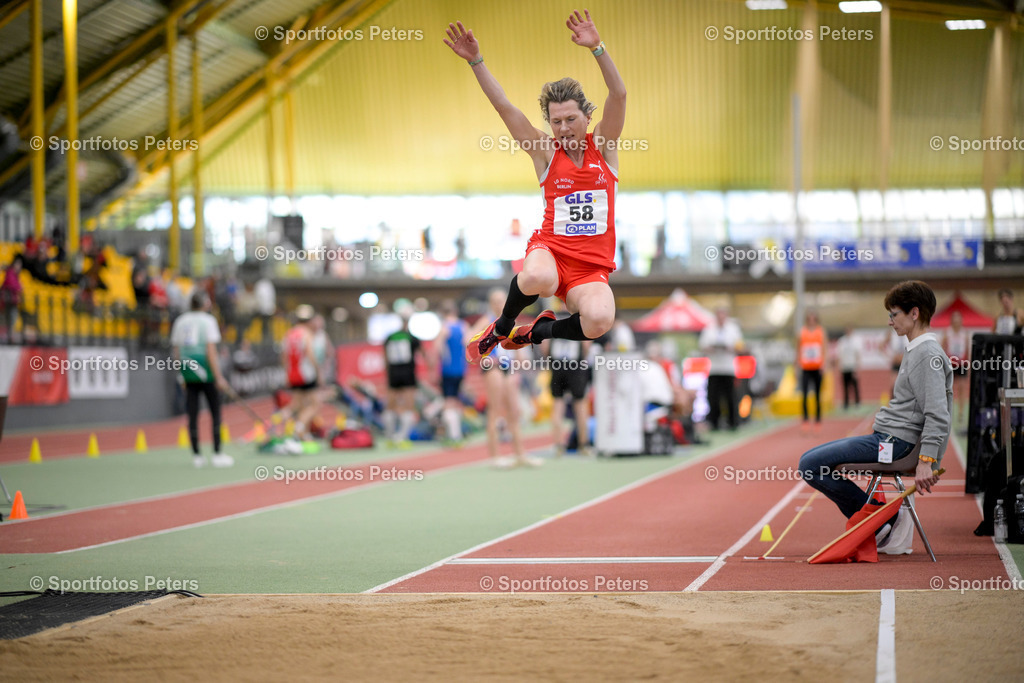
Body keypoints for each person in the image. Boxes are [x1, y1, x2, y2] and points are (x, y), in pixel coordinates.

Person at [445, 10, 627, 362]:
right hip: (552, 251)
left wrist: (597, 48)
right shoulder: (546, 152)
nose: (563, 128)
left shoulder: (604, 145)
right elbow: (505, 108)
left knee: (601, 319)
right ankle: (501, 327)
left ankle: (539, 330)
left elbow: (618, 94)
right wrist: (476, 61)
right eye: (556, 121)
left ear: (587, 118)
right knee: (537, 277)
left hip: (590, 268)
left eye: (571, 119)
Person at [799, 280, 951, 556]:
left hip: (896, 444)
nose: (890, 322)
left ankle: (881, 521)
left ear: (914, 313)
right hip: (889, 438)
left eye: (894, 314)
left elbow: (938, 412)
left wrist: (927, 461)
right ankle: (882, 521)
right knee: (810, 461)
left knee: (810, 464)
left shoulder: (927, 354)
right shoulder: (915, 349)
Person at [469, 289, 542, 468]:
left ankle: (520, 455)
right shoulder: (486, 320)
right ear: (490, 303)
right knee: (494, 411)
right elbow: (468, 339)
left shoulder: (510, 321)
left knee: (514, 411)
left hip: (508, 367)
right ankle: (495, 457)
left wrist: (521, 362)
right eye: (494, 300)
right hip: (493, 367)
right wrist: (484, 356)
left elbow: (516, 345)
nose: (498, 304)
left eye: (501, 300)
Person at [170, 291, 234, 468]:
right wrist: (219, 377)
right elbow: (210, 351)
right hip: (206, 371)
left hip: (188, 371)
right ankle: (217, 453)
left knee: (192, 413)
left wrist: (180, 373)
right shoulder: (208, 321)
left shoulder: (180, 321)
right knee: (215, 413)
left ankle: (197, 455)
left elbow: (176, 351)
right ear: (204, 304)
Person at [382, 307, 425, 448]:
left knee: (391, 405)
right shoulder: (412, 338)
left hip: (393, 373)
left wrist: (388, 374)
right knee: (408, 406)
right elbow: (423, 355)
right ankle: (402, 437)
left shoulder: (390, 337)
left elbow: (385, 358)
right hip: (407, 374)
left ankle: (389, 437)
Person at [546, 327, 592, 455]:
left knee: (557, 403)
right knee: (580, 403)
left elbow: (544, 345)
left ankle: (558, 445)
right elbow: (586, 343)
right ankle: (584, 445)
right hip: (575, 364)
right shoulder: (578, 316)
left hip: (557, 365)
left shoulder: (553, 318)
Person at [699, 306, 743, 431]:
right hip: (714, 368)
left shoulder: (733, 329)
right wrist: (711, 348)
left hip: (728, 368)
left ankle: (733, 422)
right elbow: (702, 346)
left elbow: (740, 346)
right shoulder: (709, 329)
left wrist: (731, 348)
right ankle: (714, 422)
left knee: (730, 396)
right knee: (713, 397)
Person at [281, 305, 321, 440]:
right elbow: (310, 354)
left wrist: (287, 373)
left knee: (298, 404)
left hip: (292, 374)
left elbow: (284, 356)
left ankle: (302, 432)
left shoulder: (289, 334)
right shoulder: (306, 334)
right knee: (314, 404)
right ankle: (299, 427)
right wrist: (318, 371)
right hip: (306, 374)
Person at [436, 299, 468, 445]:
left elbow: (437, 347)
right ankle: (456, 433)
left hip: (448, 369)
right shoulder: (463, 326)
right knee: (456, 400)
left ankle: (454, 435)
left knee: (449, 401)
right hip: (461, 368)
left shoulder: (444, 327)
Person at [797, 309, 828, 432]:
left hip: (817, 367)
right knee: (804, 394)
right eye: (809, 319)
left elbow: (824, 349)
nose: (811, 321)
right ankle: (805, 419)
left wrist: (824, 365)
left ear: (816, 319)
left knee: (817, 395)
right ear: (807, 319)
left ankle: (817, 420)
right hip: (805, 367)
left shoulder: (821, 331)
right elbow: (798, 349)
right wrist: (797, 365)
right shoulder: (802, 332)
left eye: (813, 319)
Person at [942, 310, 970, 425]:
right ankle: (947, 411)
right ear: (952, 321)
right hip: (950, 364)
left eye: (959, 319)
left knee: (962, 389)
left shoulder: (965, 334)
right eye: (955, 319)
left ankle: (961, 412)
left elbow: (967, 350)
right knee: (948, 388)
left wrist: (968, 365)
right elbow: (942, 349)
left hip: (962, 364)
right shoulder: (947, 333)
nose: (956, 322)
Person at [835, 327, 861, 410]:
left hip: (852, 366)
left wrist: (857, 367)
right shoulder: (842, 341)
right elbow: (839, 354)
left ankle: (857, 402)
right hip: (844, 367)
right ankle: (846, 403)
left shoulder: (855, 341)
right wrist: (839, 366)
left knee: (855, 386)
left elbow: (858, 354)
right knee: (845, 386)